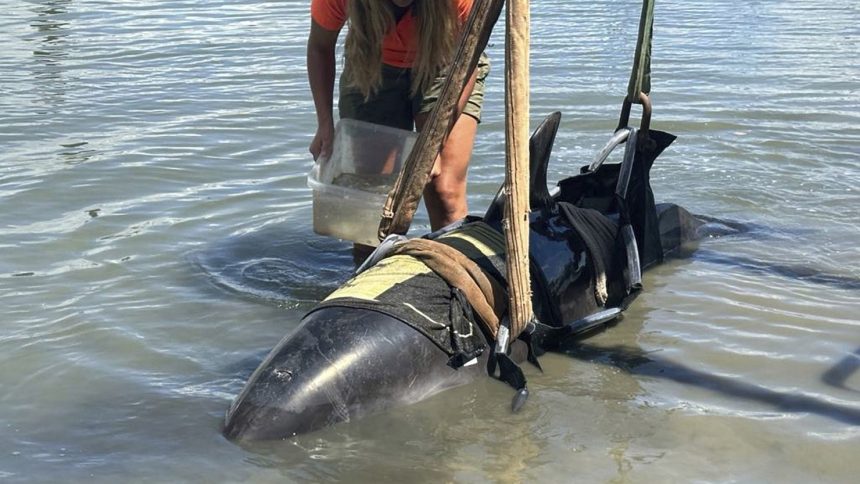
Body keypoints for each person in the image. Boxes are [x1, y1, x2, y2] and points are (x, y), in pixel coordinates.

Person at [307, 0, 490, 235]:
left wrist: (433, 144)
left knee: (445, 193)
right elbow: (320, 47)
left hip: (447, 61)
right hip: (372, 64)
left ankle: (447, 260)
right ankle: (371, 265)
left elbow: (468, 59)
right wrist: (324, 124)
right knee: (372, 202)